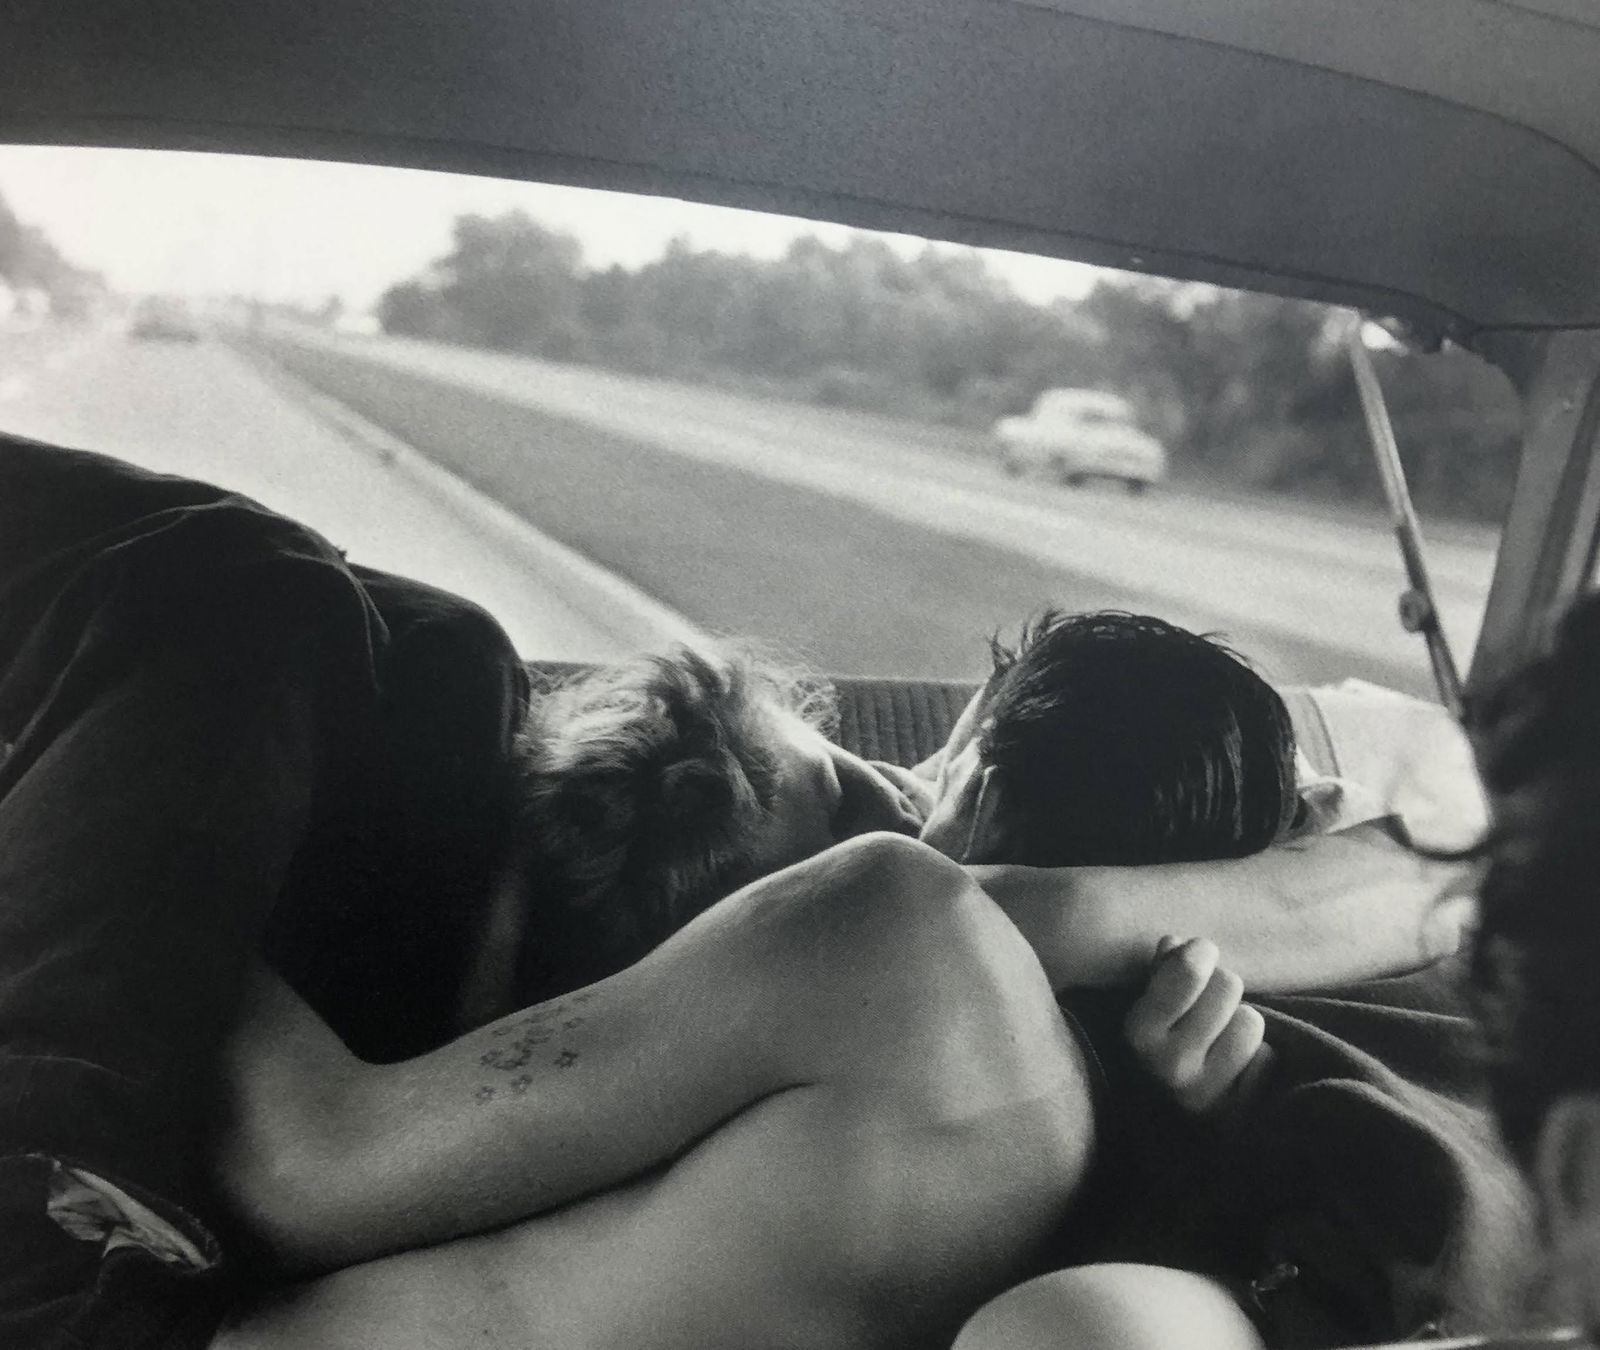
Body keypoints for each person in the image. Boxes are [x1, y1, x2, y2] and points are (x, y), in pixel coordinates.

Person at [0, 436, 1481, 1348]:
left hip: (75, 1272)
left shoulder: (906, 937)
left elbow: (310, 1162)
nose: (882, 784)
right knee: (420, 647)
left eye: (908, 780)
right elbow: (1445, 862)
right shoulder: (1127, 1123)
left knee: (250, 588)